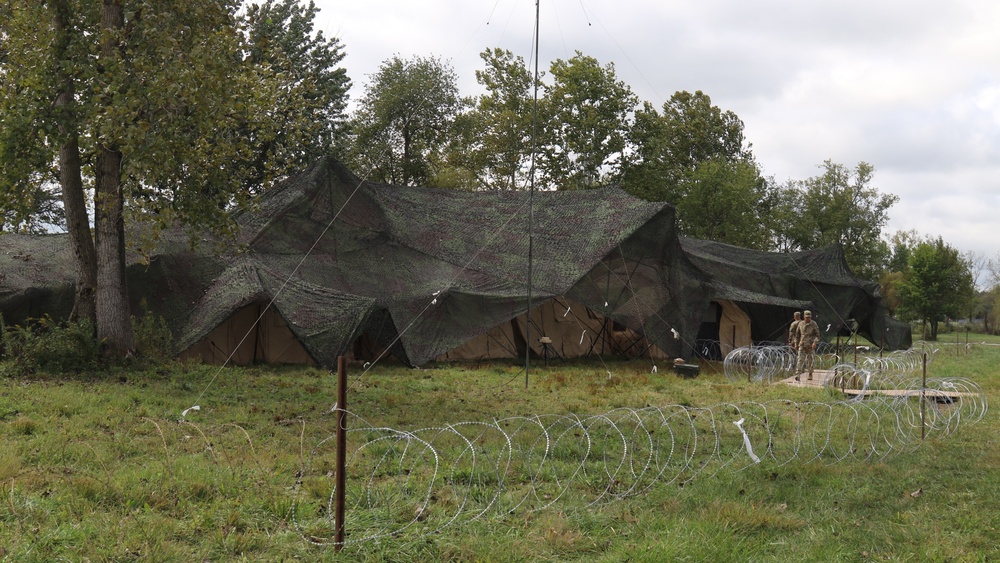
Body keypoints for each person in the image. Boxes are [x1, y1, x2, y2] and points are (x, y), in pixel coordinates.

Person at [796, 310, 820, 381]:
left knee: (810, 360)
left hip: (810, 345)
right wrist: (796, 343)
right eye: (806, 317)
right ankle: (798, 374)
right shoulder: (800, 324)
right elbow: (797, 334)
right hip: (802, 344)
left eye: (809, 317)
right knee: (800, 359)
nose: (808, 319)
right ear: (803, 317)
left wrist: (815, 342)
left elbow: (817, 335)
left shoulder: (813, 324)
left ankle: (810, 373)